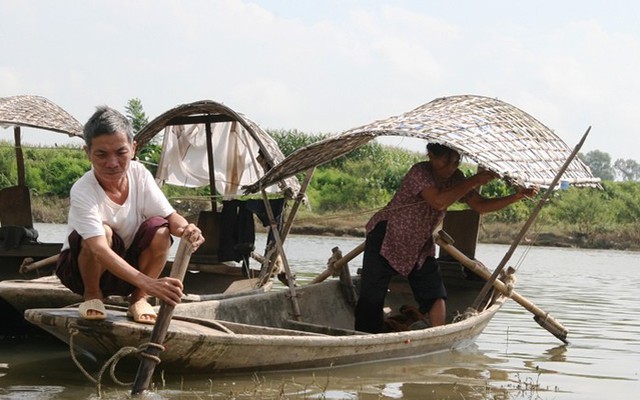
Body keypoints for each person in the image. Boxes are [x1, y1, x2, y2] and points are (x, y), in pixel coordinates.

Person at [354, 143, 538, 333]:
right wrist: (474, 180)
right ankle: (365, 337)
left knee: (435, 293)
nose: (451, 168)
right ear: (431, 156)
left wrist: (517, 197)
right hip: (388, 236)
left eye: (456, 163)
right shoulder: (420, 173)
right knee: (371, 296)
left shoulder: (456, 178)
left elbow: (480, 206)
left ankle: (437, 335)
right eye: (446, 162)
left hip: (419, 244)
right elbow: (438, 201)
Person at [55, 106, 205, 324]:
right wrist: (150, 283)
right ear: (87, 153)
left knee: (160, 229)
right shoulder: (82, 189)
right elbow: (98, 250)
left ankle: (138, 299)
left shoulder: (139, 173)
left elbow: (171, 218)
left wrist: (186, 229)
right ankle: (92, 296)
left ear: (133, 149)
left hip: (127, 270)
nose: (112, 163)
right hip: (80, 271)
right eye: (101, 154)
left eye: (121, 152)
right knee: (103, 234)